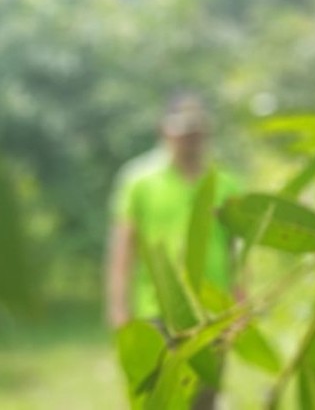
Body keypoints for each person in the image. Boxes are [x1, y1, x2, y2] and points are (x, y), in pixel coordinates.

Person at [105, 93, 240, 406]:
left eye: (196, 131)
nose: (189, 139)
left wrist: (238, 301)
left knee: (203, 398)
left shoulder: (224, 183)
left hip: (211, 311)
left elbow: (236, 250)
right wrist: (118, 311)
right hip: (156, 310)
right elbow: (122, 250)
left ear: (206, 133)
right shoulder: (139, 181)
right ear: (165, 131)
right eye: (182, 131)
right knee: (157, 398)